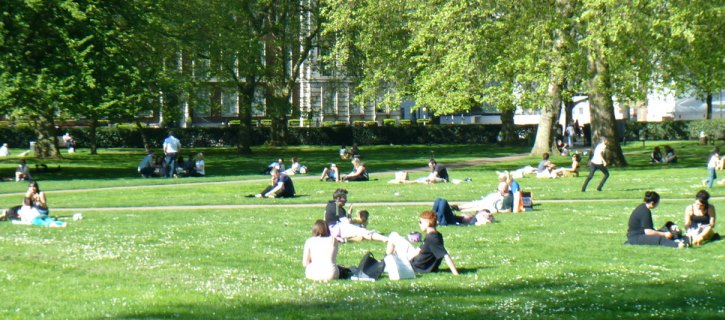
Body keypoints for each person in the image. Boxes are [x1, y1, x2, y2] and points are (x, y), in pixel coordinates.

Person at [385, 210, 459, 275]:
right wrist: (407, 256)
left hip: (417, 267)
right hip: (416, 261)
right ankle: (388, 262)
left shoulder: (433, 238)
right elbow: (419, 250)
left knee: (393, 236)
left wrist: (455, 273)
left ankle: (387, 263)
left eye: (421, 222)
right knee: (395, 237)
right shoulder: (435, 235)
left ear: (428, 223)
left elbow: (445, 255)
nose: (419, 224)